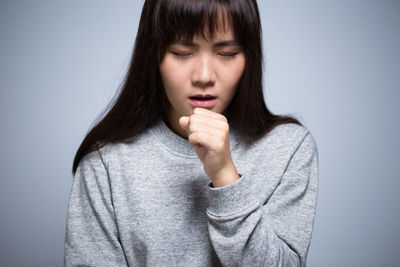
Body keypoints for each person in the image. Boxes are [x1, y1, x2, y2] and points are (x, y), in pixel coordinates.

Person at [64, 0, 319, 266]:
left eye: (227, 53)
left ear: (249, 57)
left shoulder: (289, 148)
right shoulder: (105, 163)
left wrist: (226, 177)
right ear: (154, 56)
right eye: (182, 52)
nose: (204, 76)